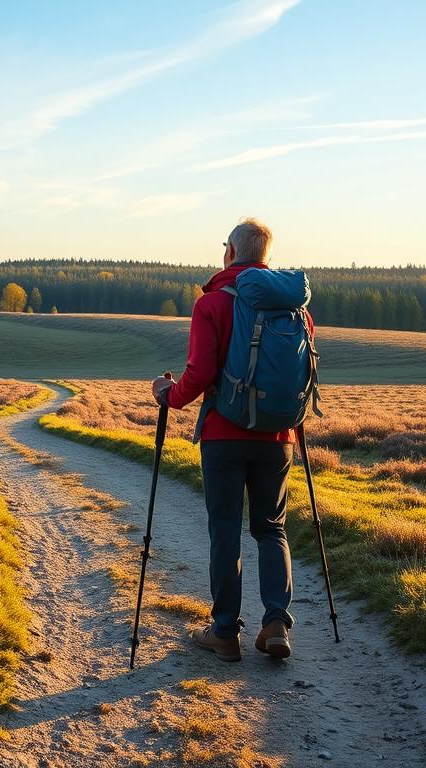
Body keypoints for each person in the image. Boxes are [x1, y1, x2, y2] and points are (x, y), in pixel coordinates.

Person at [151, 218, 311, 662]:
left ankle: (225, 631)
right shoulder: (297, 310)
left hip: (224, 435)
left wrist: (170, 396)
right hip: (278, 436)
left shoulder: (212, 304)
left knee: (225, 529)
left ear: (229, 253)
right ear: (267, 258)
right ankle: (276, 624)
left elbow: (200, 374)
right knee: (271, 528)